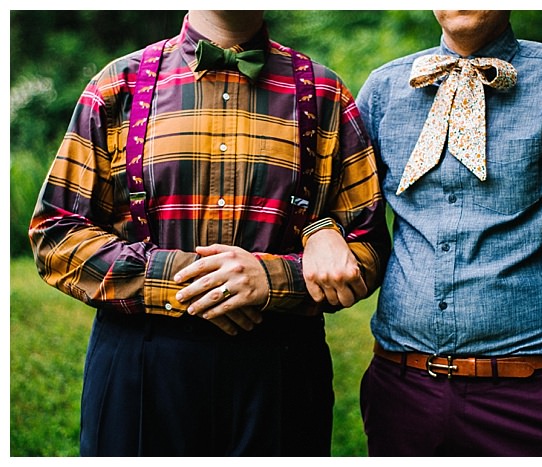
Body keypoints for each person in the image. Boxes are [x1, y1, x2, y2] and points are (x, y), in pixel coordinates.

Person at [28, 10, 390, 456]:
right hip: (141, 362)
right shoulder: (117, 85)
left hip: (279, 368)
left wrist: (272, 280)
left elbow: (368, 249)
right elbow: (56, 233)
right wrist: (184, 278)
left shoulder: (325, 92)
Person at [351, 10, 542, 456]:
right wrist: (321, 228)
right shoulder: (384, 89)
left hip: (527, 397)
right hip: (401, 391)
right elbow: (345, 213)